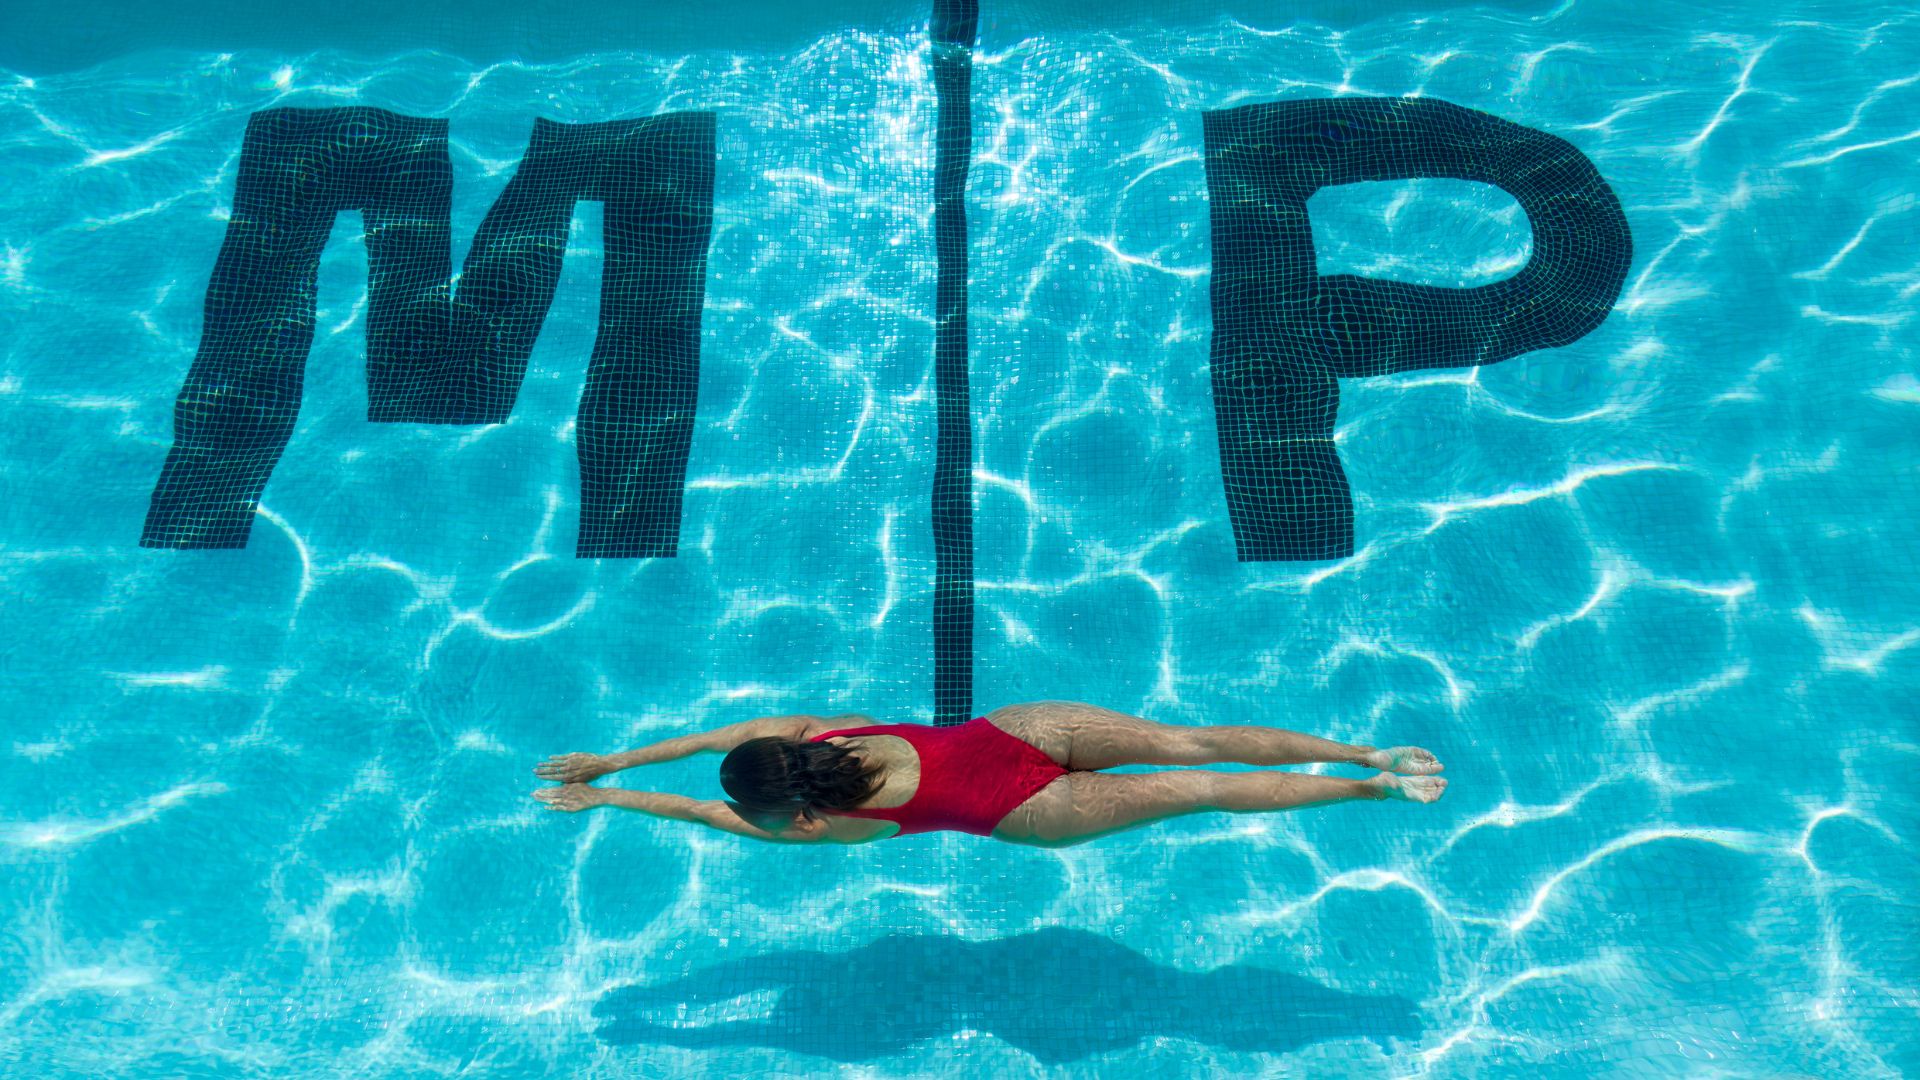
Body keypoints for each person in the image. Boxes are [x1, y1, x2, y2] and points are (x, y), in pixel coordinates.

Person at [532, 700, 1444, 847]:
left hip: (1024, 807)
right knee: (1195, 745)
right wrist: (610, 754)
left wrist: (606, 792)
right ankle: (1372, 751)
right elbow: (707, 744)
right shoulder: (812, 726)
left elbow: (693, 808)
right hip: (1012, 730)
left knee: (1204, 792)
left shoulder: (817, 828)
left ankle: (1372, 789)